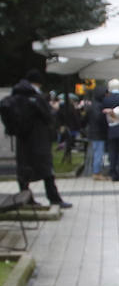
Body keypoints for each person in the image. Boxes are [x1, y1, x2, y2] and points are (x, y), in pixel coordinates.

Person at [3, 70, 70, 207]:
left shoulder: (16, 96)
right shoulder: (35, 97)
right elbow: (48, 116)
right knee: (46, 169)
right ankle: (54, 198)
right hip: (39, 138)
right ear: (38, 82)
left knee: (24, 169)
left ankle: (26, 198)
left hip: (22, 139)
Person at [84, 88, 109, 178]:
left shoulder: (92, 106)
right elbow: (99, 119)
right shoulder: (99, 106)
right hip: (99, 132)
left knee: (96, 151)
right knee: (99, 152)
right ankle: (96, 172)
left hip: (93, 132)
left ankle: (96, 171)